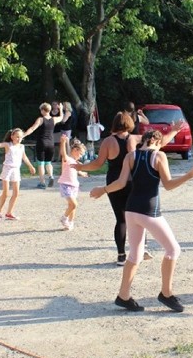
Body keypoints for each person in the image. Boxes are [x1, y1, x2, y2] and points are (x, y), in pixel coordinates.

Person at [90, 129, 193, 312]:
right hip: (149, 211)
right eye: (161, 143)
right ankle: (166, 294)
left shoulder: (130, 156)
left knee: (135, 254)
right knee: (173, 249)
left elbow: (121, 183)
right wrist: (190, 175)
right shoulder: (159, 156)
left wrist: (102, 190)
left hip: (131, 210)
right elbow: (168, 185)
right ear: (155, 140)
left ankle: (124, 295)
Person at [75, 111, 184, 265]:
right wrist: (174, 130)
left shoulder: (108, 142)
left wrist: (81, 166)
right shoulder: (136, 138)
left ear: (114, 124)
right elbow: (161, 143)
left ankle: (121, 255)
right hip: (133, 180)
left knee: (121, 220)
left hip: (115, 182)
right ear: (130, 124)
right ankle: (143, 249)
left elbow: (97, 164)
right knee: (138, 215)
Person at [24, 102, 68, 189]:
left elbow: (32, 128)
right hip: (51, 144)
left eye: (41, 110)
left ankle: (42, 182)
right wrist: (61, 109)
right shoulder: (54, 119)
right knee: (48, 162)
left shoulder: (40, 119)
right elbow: (61, 117)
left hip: (42, 143)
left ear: (43, 110)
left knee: (41, 163)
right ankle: (51, 176)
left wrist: (24, 135)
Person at [58, 133, 88, 230]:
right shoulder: (67, 159)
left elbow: (75, 170)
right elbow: (63, 153)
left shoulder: (75, 162)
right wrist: (62, 142)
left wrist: (82, 173)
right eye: (80, 154)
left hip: (74, 185)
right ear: (75, 150)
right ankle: (64, 218)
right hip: (66, 185)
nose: (80, 156)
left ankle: (70, 222)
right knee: (74, 204)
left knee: (72, 206)